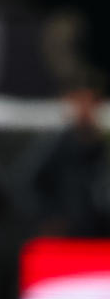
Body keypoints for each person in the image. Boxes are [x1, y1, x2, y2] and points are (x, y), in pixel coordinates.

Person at [24, 82, 110, 238]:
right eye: (81, 102)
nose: (86, 109)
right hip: (64, 237)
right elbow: (28, 184)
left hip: (96, 235)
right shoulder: (55, 145)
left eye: (91, 103)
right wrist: (50, 218)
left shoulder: (99, 147)